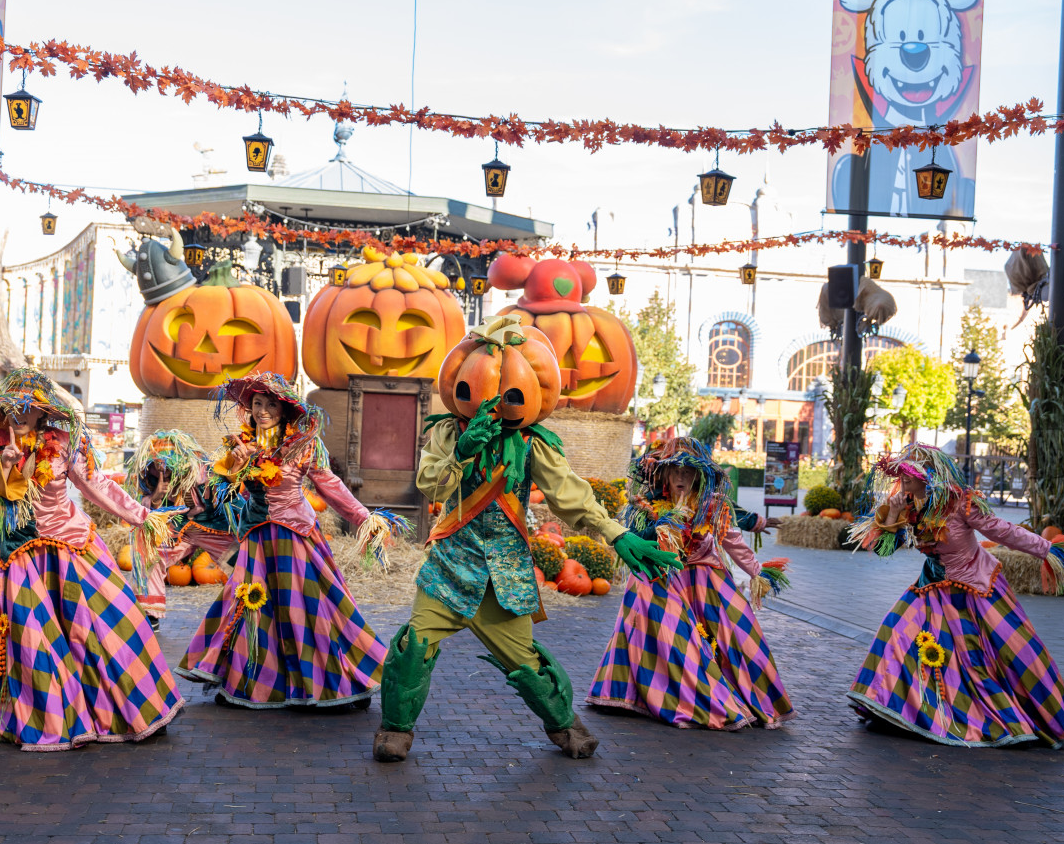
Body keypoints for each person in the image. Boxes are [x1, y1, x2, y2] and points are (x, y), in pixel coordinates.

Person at [372, 316, 681, 763]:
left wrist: (617, 535)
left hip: (504, 577)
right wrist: (461, 453)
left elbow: (569, 494)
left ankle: (566, 727)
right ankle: (395, 730)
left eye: (510, 394)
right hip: (450, 571)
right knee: (412, 646)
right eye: (474, 389)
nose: (492, 404)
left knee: (526, 663)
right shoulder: (446, 432)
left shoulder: (534, 444)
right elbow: (430, 485)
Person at [0, 368, 184, 750]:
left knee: (103, 624)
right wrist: (3, 466)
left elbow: (97, 485)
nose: (21, 414)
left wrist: (142, 516)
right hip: (17, 551)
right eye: (13, 408)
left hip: (68, 546)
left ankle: (132, 707)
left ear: (44, 413)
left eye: (30, 408)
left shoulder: (66, 443)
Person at [174, 373, 403, 710]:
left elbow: (331, 486)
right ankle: (249, 678)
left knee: (307, 608)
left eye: (270, 404)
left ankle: (334, 680)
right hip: (256, 540)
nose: (263, 410)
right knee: (253, 607)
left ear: (283, 409)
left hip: (294, 536)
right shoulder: (239, 444)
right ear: (249, 408)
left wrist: (363, 517)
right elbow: (218, 486)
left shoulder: (302, 444)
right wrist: (219, 473)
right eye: (257, 404)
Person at [845, 443, 1064, 748]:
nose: (903, 478)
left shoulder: (960, 503)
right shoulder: (907, 503)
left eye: (909, 474)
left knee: (999, 653)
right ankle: (892, 706)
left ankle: (1002, 716)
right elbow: (883, 550)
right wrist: (891, 519)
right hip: (931, 586)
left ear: (928, 476)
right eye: (901, 473)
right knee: (896, 631)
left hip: (975, 588)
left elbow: (1003, 531)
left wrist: (1048, 550)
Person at [588, 438, 794, 730]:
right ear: (663, 475)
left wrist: (757, 570)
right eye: (675, 470)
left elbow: (733, 538)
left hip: (704, 575)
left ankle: (750, 694)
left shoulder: (711, 504)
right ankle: (662, 693)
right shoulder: (646, 504)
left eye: (689, 470)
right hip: (661, 575)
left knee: (738, 625)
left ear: (699, 476)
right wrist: (661, 525)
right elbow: (636, 538)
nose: (682, 476)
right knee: (671, 633)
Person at [126, 429, 239, 630]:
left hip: (212, 528)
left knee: (240, 561)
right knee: (146, 547)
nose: (162, 469)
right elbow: (137, 509)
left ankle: (248, 603)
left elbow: (229, 489)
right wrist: (155, 497)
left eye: (168, 463)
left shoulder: (203, 472)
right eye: (156, 465)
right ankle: (149, 613)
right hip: (176, 531)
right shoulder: (147, 479)